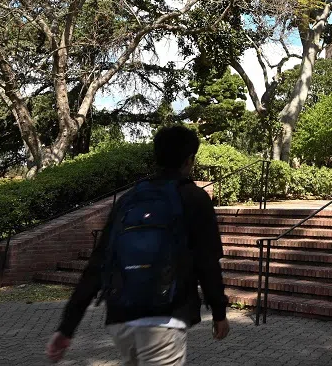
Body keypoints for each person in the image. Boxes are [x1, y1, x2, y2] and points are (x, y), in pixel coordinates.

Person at [47, 125, 230, 365]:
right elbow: (207, 261)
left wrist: (67, 326)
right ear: (189, 160)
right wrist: (219, 313)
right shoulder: (194, 197)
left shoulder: (129, 198)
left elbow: (98, 263)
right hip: (164, 319)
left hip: (121, 316)